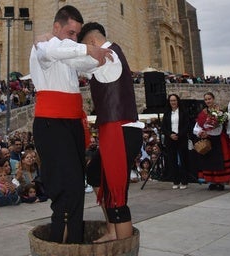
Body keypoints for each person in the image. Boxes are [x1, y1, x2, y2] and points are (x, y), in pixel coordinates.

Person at [30, 5, 111, 244]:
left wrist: (102, 57)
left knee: (76, 187)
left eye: (78, 34)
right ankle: (61, 245)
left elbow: (83, 62)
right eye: (71, 32)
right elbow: (58, 48)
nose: (75, 38)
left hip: (72, 123)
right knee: (65, 189)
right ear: (56, 27)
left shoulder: (66, 51)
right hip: (51, 124)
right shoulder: (44, 47)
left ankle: (72, 242)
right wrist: (89, 48)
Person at [78, 22, 143, 241]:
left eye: (88, 46)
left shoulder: (108, 57)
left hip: (121, 131)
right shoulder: (110, 56)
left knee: (117, 193)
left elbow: (82, 65)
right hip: (117, 130)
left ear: (93, 42)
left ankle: (122, 245)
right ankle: (112, 230)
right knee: (95, 173)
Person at [193, 92, 230, 190]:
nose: (208, 101)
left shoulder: (220, 112)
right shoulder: (202, 113)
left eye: (209, 99)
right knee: (209, 161)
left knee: (219, 160)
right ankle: (212, 181)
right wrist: (201, 132)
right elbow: (197, 126)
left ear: (213, 99)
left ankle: (221, 182)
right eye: (206, 99)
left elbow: (222, 126)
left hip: (218, 139)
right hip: (207, 140)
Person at [161, 94, 190, 189]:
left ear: (178, 101)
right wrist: (170, 135)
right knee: (172, 160)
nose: (173, 102)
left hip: (181, 138)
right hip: (170, 138)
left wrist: (179, 135)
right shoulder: (167, 113)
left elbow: (187, 125)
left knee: (183, 160)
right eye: (171, 101)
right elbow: (163, 127)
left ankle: (184, 181)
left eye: (174, 100)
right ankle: (176, 181)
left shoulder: (183, 112)